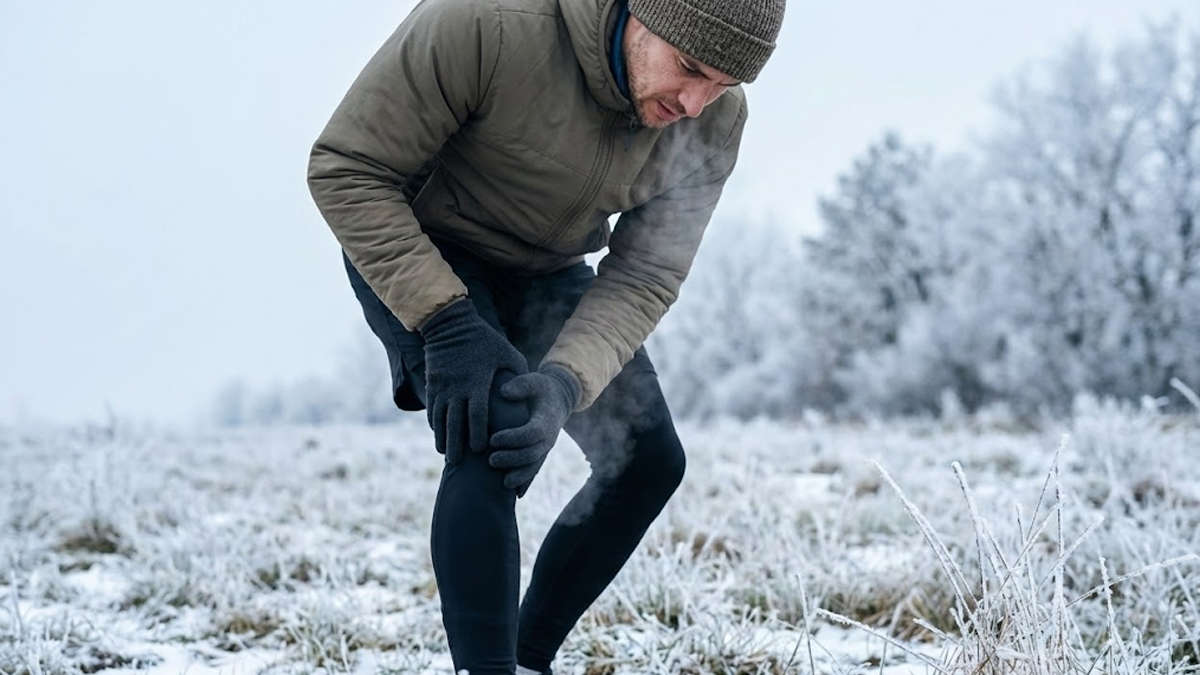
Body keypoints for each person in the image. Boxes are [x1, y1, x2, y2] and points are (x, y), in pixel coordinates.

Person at [307, 0, 785, 672]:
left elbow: (646, 271)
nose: (697, 103)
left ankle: (528, 658)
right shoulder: (488, 22)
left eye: (724, 85)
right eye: (690, 68)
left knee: (647, 462)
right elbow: (347, 167)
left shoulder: (710, 126)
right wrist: (446, 323)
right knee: (491, 425)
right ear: (638, 15)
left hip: (546, 269)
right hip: (421, 243)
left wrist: (565, 383)